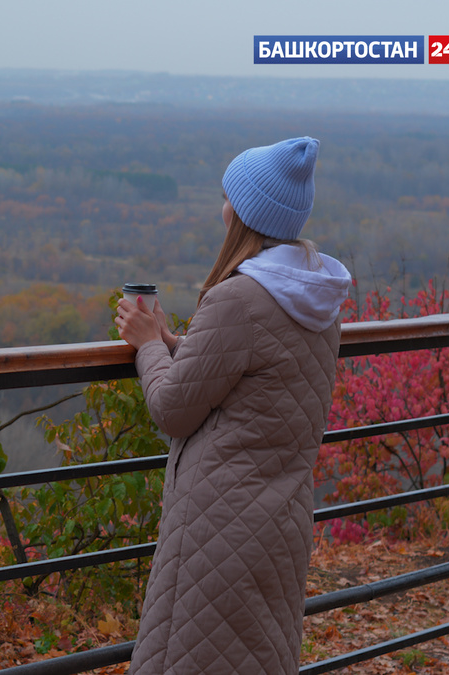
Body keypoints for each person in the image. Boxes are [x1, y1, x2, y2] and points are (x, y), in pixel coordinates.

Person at [115, 137, 352, 674]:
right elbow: (258, 372)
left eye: (228, 197)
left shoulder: (236, 299)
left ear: (245, 213)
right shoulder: (315, 294)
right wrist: (182, 345)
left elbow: (173, 408)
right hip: (279, 521)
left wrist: (148, 344)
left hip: (218, 527)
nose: (222, 207)